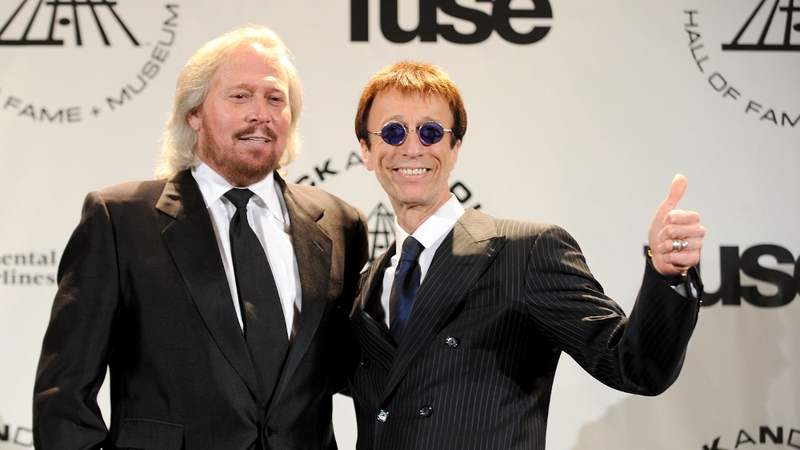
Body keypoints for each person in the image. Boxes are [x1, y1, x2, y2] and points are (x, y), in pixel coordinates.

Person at [33, 25, 368, 450]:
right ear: (194, 113)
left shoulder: (341, 223)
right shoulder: (119, 220)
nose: (260, 114)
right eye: (240, 96)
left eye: (275, 98)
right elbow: (63, 398)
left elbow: (358, 373)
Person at [347, 61, 705, 450]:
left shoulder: (527, 252)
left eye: (431, 132)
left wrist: (668, 274)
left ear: (454, 150)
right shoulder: (366, 284)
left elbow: (634, 366)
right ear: (367, 150)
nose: (413, 147)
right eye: (393, 132)